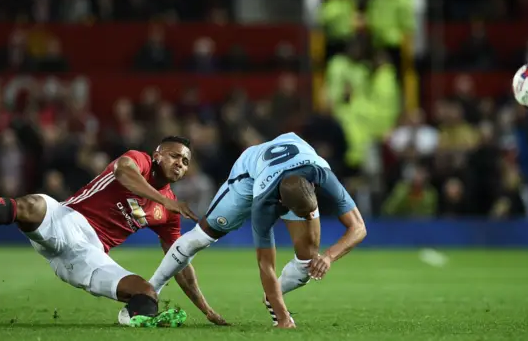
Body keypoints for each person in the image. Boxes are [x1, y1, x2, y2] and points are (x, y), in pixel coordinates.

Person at [0, 136, 227, 328]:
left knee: (146, 293)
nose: (180, 163)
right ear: (158, 154)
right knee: (33, 205)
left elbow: (179, 261)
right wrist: (163, 199)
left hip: (88, 256)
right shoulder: (138, 160)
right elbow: (123, 174)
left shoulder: (169, 212)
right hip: (67, 220)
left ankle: (134, 319)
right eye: (175, 156)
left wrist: (206, 309)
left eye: (186, 161)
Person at [148, 132, 367, 329]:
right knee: (202, 236)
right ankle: (151, 290)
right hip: (249, 173)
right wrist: (283, 319)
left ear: (313, 186)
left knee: (309, 261)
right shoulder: (263, 204)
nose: (307, 218)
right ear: (281, 204)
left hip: (291, 155)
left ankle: (273, 297)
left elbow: (358, 227)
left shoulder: (322, 174)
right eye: (301, 214)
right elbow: (265, 265)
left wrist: (328, 257)